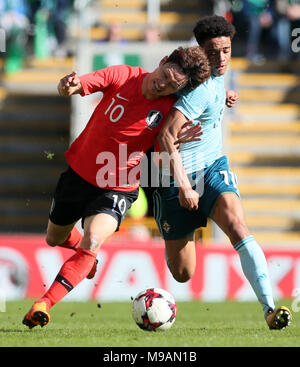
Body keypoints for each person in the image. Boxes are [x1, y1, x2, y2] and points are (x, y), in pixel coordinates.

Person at [22, 45, 211, 329]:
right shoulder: (123, 76)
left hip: (119, 186)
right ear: (161, 62)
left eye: (173, 85)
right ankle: (86, 258)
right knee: (54, 238)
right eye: (165, 75)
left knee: (94, 239)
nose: (163, 84)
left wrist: (177, 140)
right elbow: (77, 86)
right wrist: (67, 86)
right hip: (78, 176)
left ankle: (43, 304)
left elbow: (161, 155)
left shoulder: (169, 109)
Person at [153, 15, 292, 330]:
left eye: (226, 50)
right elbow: (165, 136)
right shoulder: (192, 85)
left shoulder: (217, 75)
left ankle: (270, 309)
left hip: (213, 166)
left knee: (238, 226)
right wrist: (185, 187)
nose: (221, 58)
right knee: (182, 272)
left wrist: (223, 99)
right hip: (176, 180)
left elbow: (210, 100)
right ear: (200, 50)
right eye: (213, 52)